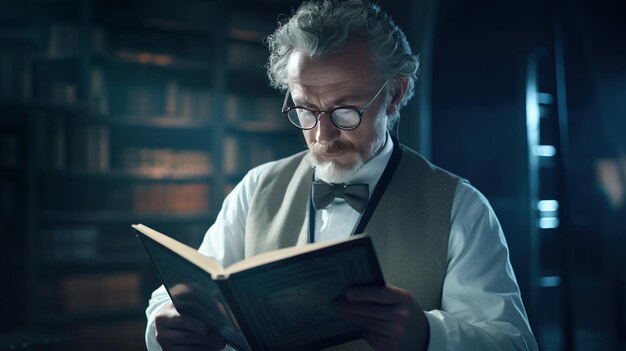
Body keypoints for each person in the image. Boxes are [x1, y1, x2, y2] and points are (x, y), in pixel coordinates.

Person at [145, 1, 538, 350]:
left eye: (345, 110)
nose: (321, 135)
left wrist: (428, 336)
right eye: (305, 110)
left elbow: (513, 341)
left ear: (395, 94)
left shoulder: (460, 206)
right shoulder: (255, 189)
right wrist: (167, 320)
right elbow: (188, 291)